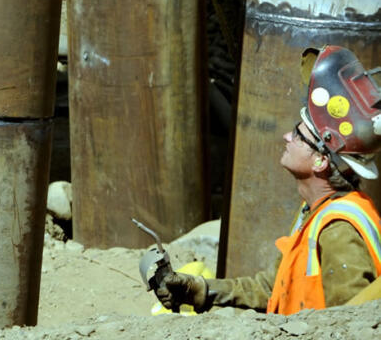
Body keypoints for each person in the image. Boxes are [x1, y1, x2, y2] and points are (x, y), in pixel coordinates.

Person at [156, 45, 381, 313]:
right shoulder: (316, 212)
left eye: (299, 135)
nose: (287, 137)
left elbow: (352, 321)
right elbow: (274, 288)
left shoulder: (338, 231)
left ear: (321, 161)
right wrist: (202, 290)